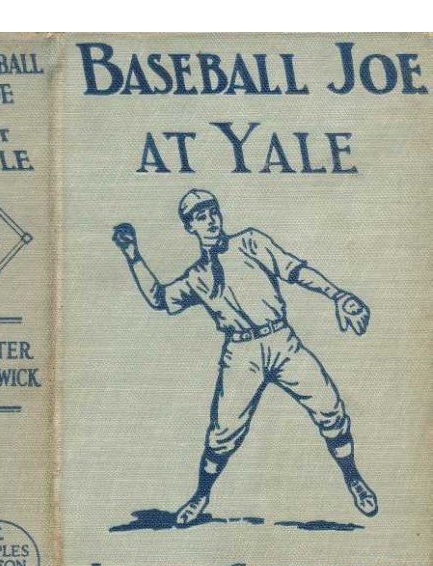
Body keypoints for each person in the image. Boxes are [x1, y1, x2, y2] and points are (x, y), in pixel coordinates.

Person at [112, 189, 378, 525]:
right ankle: (200, 495)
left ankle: (353, 478)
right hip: (241, 353)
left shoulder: (250, 242)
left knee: (330, 406)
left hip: (281, 340)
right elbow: (159, 298)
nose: (209, 221)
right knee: (223, 433)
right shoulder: (197, 277)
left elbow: (295, 270)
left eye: (212, 212)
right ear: (189, 227)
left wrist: (337, 295)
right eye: (199, 217)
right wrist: (133, 255)